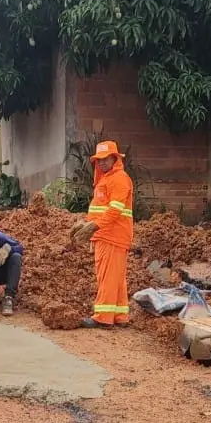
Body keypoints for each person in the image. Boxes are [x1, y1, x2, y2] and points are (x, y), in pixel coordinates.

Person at [72, 140, 134, 329]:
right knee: (116, 277)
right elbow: (101, 209)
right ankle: (119, 316)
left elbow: (115, 211)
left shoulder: (119, 179)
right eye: (99, 160)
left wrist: (94, 227)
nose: (101, 163)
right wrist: (88, 224)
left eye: (105, 159)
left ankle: (103, 317)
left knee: (107, 276)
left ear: (115, 158)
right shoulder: (106, 179)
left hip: (111, 235)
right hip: (107, 234)